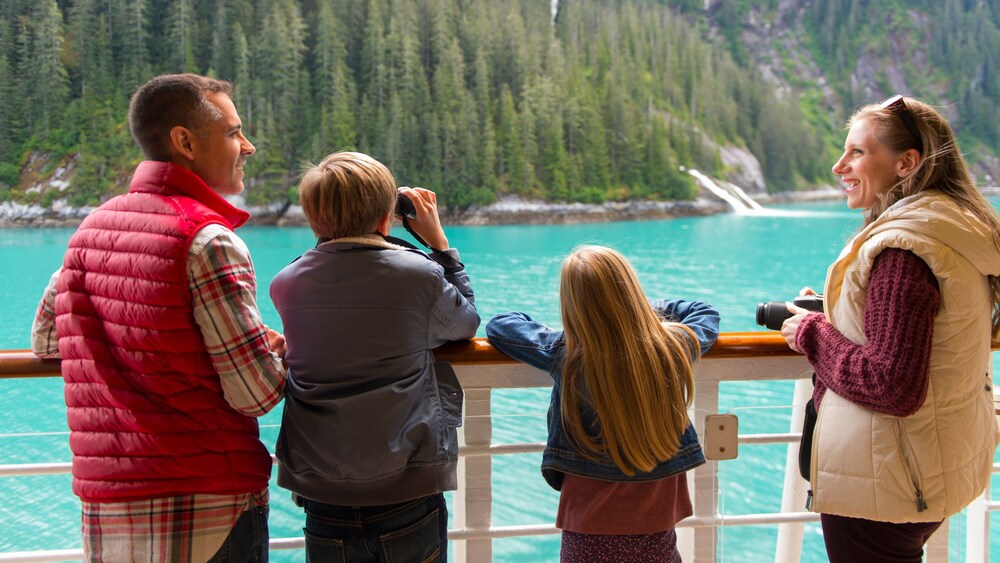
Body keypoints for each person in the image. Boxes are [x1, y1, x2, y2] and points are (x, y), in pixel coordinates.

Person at [30, 73, 286, 562]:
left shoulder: (92, 227)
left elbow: (46, 341)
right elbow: (257, 393)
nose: (248, 146)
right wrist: (277, 351)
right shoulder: (208, 240)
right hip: (208, 503)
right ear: (185, 141)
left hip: (109, 512)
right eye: (234, 132)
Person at [780, 95, 1000, 562]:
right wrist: (839, 311)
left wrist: (812, 332)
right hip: (921, 466)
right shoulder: (950, 229)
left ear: (906, 163)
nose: (840, 166)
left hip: (885, 480)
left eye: (857, 152)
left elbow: (891, 383)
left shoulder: (903, 251)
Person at [269, 151, 480, 562]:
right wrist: (440, 247)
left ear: (313, 218)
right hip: (405, 486)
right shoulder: (418, 274)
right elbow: (464, 324)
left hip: (321, 491)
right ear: (388, 216)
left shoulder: (286, 284)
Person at [486, 245, 719, 562]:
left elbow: (501, 325)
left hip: (587, 536)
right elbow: (705, 313)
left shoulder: (565, 352)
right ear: (632, 293)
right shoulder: (671, 347)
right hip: (657, 537)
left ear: (573, 306)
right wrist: (649, 307)